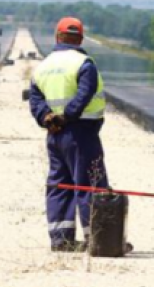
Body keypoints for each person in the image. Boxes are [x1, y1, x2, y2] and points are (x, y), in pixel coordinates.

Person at [29, 17, 108, 252]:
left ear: (57, 37)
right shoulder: (84, 63)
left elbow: (35, 99)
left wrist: (47, 118)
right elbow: (84, 94)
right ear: (80, 38)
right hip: (81, 133)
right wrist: (67, 116)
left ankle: (61, 239)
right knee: (89, 184)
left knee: (59, 184)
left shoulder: (42, 67)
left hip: (55, 136)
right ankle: (98, 239)